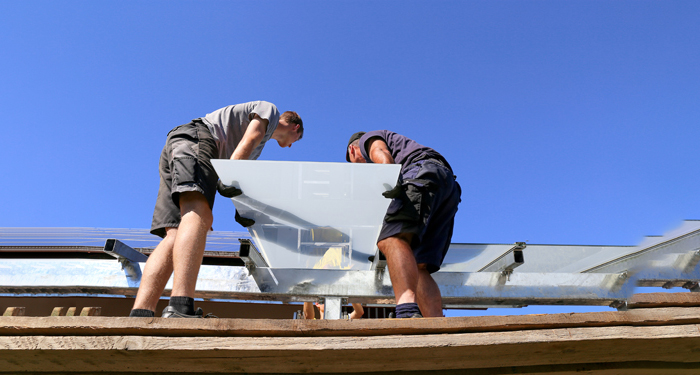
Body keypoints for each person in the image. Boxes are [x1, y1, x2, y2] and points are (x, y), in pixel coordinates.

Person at [129, 101, 304, 318]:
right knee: (200, 214)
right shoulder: (270, 111)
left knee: (174, 234)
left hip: (180, 145)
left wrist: (244, 211)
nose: (290, 146)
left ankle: (141, 313)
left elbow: (238, 181)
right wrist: (231, 178)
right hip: (198, 138)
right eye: (295, 141)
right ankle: (180, 307)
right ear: (296, 128)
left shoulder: (257, 148)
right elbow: (250, 139)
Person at [345, 131, 461, 318]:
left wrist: (389, 181)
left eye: (357, 164)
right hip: (447, 188)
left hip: (420, 174)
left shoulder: (369, 139)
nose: (364, 168)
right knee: (419, 265)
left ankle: (406, 310)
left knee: (390, 239)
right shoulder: (406, 146)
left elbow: (380, 152)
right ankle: (436, 322)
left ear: (352, 150)